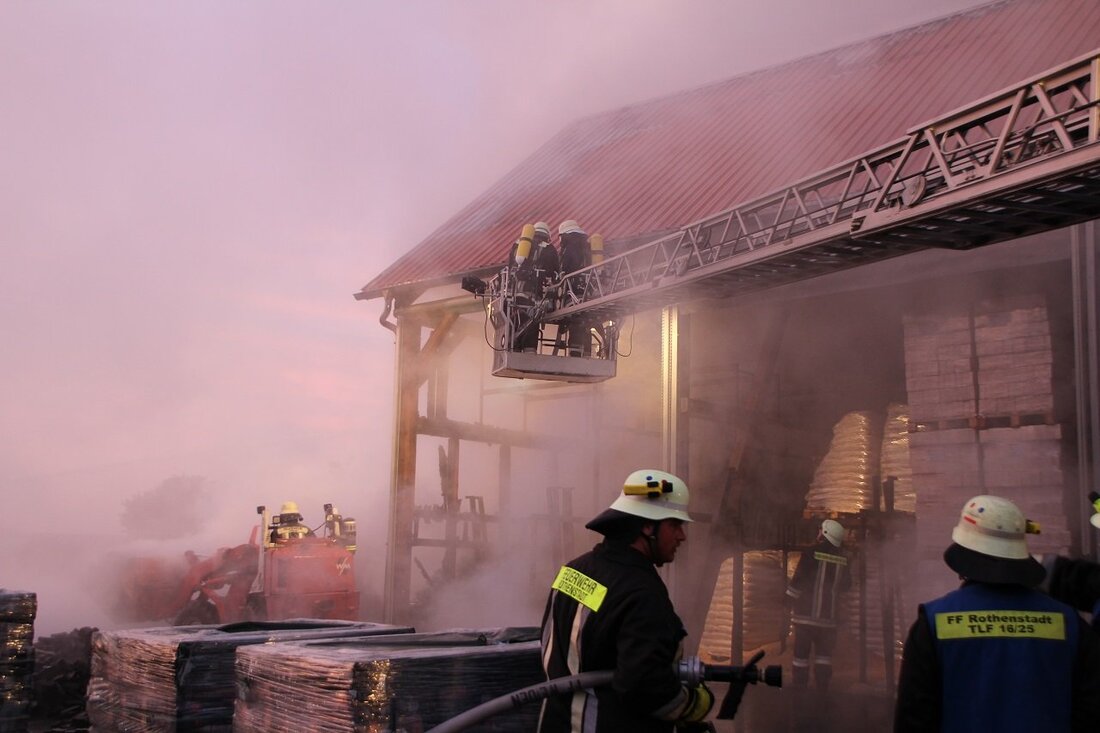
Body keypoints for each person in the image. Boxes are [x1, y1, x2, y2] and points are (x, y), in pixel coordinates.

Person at [894, 495, 1100, 732]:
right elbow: (1091, 713)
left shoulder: (934, 623)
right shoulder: (1069, 624)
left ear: (964, 557)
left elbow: (915, 718)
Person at [538, 469, 714, 733]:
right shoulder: (643, 594)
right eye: (674, 525)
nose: (682, 536)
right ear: (647, 526)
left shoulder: (572, 571)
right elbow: (646, 688)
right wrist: (695, 703)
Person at [785, 518, 850, 690]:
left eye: (820, 530)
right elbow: (846, 585)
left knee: (801, 656)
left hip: (806, 617)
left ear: (824, 533)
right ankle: (822, 686)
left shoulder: (811, 552)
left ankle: (800, 687)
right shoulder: (844, 558)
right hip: (828, 620)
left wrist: (787, 599)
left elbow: (799, 579)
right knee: (824, 656)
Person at [557, 219, 594, 356]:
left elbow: (564, 269)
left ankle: (575, 352)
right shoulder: (587, 247)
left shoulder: (569, 248)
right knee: (585, 321)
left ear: (565, 235)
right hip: (588, 289)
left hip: (573, 289)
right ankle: (587, 352)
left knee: (575, 319)